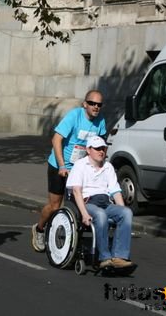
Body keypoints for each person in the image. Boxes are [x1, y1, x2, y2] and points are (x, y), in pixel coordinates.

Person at [31, 90, 107, 252]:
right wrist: (62, 165)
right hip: (59, 165)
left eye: (99, 105)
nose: (96, 107)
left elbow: (100, 145)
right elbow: (56, 139)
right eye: (92, 103)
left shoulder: (100, 121)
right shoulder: (74, 116)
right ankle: (39, 229)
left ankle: (70, 241)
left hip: (81, 169)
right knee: (55, 206)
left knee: (79, 205)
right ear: (85, 104)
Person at [66, 136, 135, 269]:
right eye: (97, 148)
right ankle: (104, 257)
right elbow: (76, 191)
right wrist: (84, 214)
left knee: (126, 212)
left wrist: (122, 211)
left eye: (103, 148)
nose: (101, 151)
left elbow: (115, 191)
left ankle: (119, 257)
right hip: (88, 202)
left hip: (106, 202)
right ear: (88, 150)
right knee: (101, 215)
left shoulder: (108, 167)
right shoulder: (80, 165)